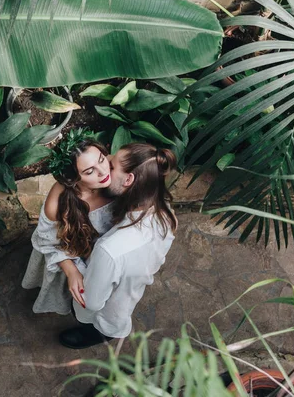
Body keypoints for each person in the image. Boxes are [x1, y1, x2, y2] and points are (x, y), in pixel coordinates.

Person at [58, 143, 178, 349]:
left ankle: (97, 335)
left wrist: (72, 267)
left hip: (109, 308)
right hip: (135, 280)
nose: (104, 170)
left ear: (129, 180)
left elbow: (92, 302)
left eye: (111, 166)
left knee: (101, 322)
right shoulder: (165, 212)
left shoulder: (109, 249)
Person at [21, 128, 113, 315]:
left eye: (101, 159)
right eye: (89, 171)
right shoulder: (57, 206)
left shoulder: (115, 172)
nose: (103, 171)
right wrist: (71, 272)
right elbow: (49, 244)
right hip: (76, 252)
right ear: (73, 180)